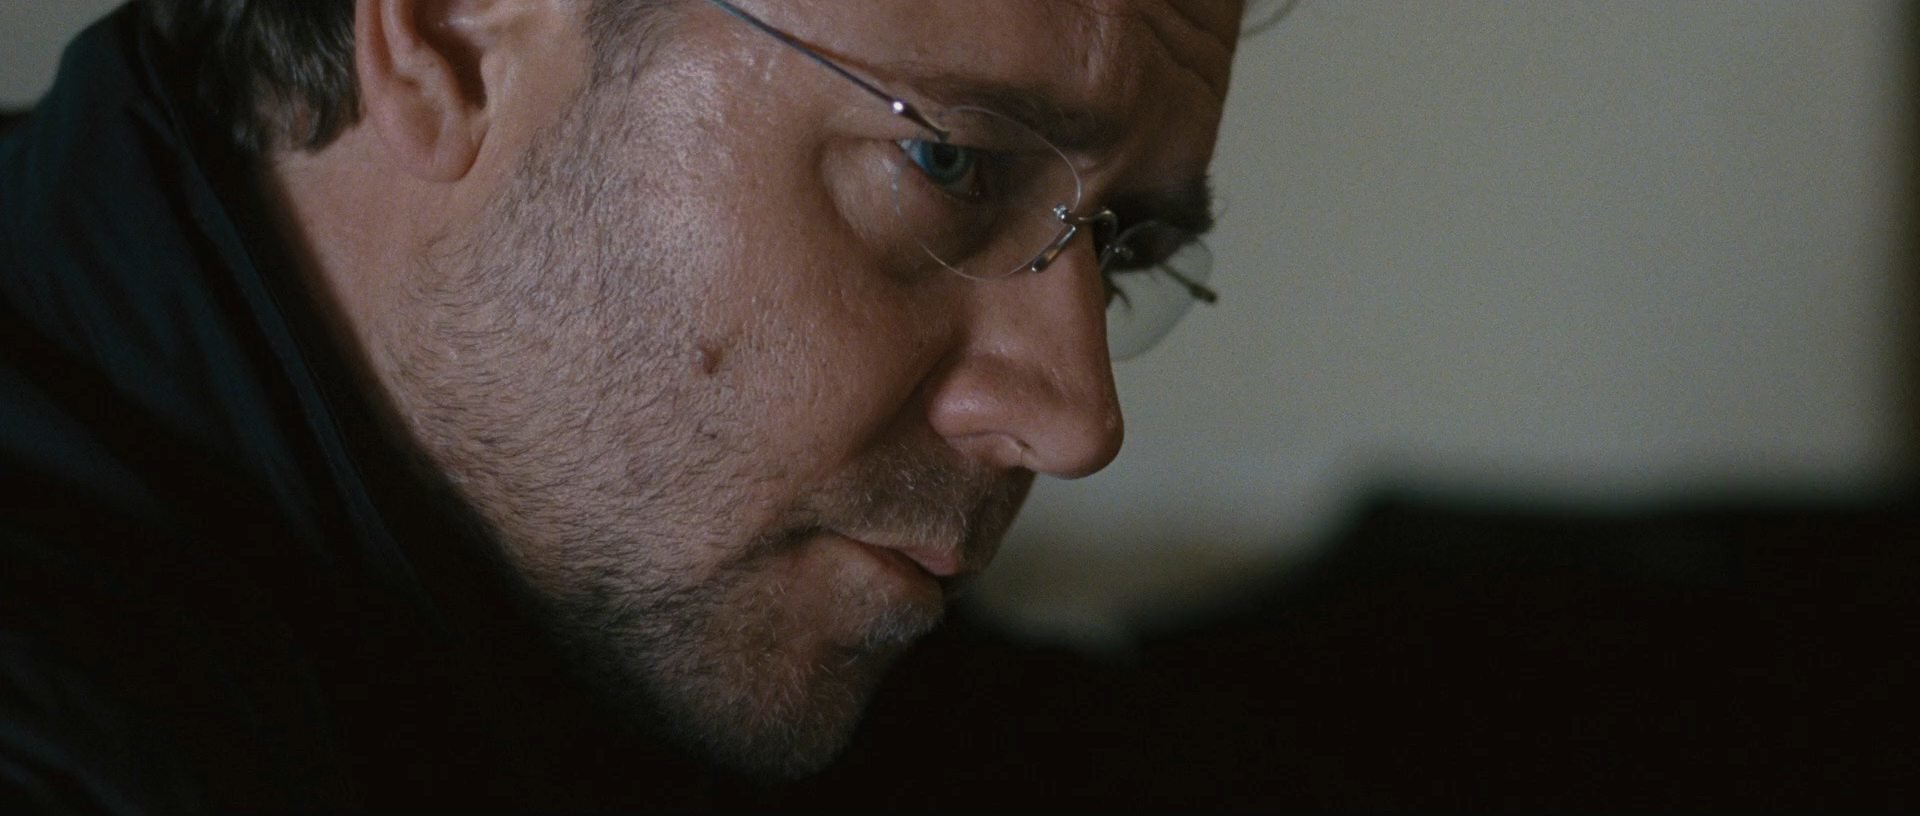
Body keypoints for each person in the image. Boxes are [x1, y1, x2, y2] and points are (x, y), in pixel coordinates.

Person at [0, 0, 1242, 809]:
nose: (1080, 422)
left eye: (1126, 248)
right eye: (947, 161)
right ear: (447, 42)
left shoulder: (627, 584)